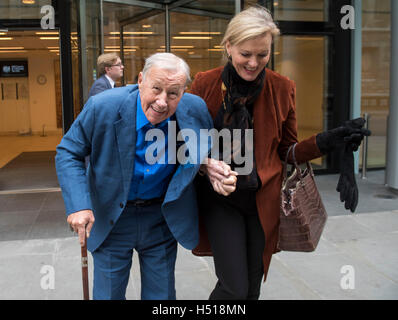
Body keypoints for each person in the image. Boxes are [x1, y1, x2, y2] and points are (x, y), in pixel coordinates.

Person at [191, 6, 370, 300]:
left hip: (262, 202)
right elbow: (186, 143)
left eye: (262, 54)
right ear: (228, 47)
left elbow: (287, 151)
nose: (253, 62)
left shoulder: (282, 87)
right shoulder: (205, 84)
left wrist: (327, 140)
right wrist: (205, 165)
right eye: (245, 53)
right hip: (219, 200)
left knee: (251, 288)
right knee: (233, 288)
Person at [55, 52, 213, 300]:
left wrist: (207, 164)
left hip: (160, 217)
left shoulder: (195, 109)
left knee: (161, 297)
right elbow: (68, 152)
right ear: (140, 80)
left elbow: (202, 148)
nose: (162, 102)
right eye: (156, 89)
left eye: (173, 93)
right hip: (112, 217)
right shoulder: (103, 107)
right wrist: (79, 206)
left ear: (183, 92)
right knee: (108, 295)